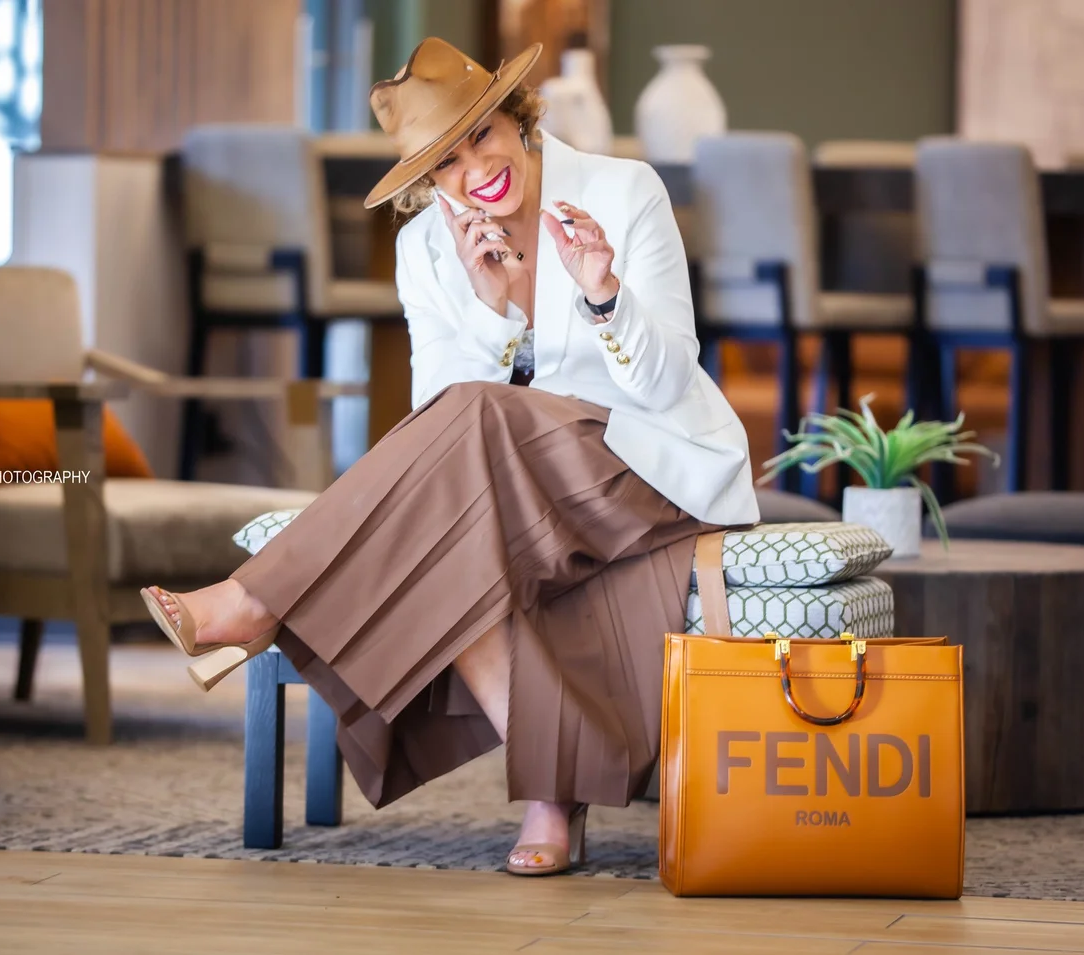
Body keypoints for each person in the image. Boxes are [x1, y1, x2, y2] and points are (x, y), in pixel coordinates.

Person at [141, 37, 759, 876]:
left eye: (483, 136)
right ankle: (550, 794)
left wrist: (602, 293)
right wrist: (491, 312)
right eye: (447, 162)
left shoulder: (622, 191)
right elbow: (437, 426)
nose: (476, 171)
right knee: (450, 524)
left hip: (649, 464)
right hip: (520, 483)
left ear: (519, 120)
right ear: (428, 182)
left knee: (459, 471)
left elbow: (666, 382)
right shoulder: (425, 250)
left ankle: (253, 603)